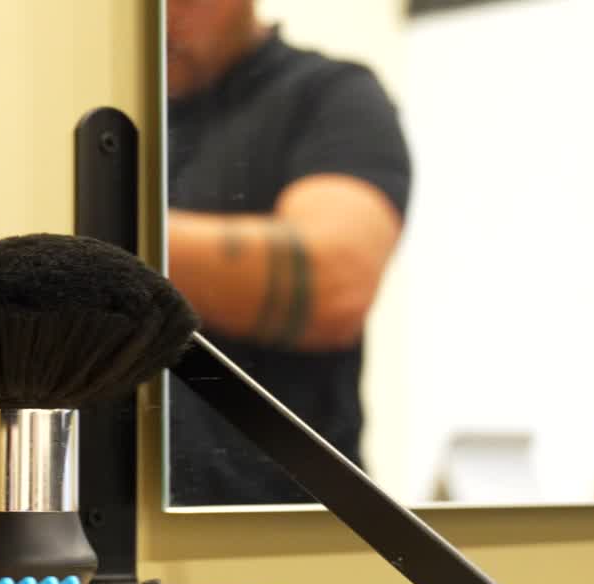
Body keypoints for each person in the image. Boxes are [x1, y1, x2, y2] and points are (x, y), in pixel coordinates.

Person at [165, 0, 411, 505]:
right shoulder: (101, 116)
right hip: (111, 526)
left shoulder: (330, 96)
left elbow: (333, 281)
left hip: (282, 528)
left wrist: (100, 239)